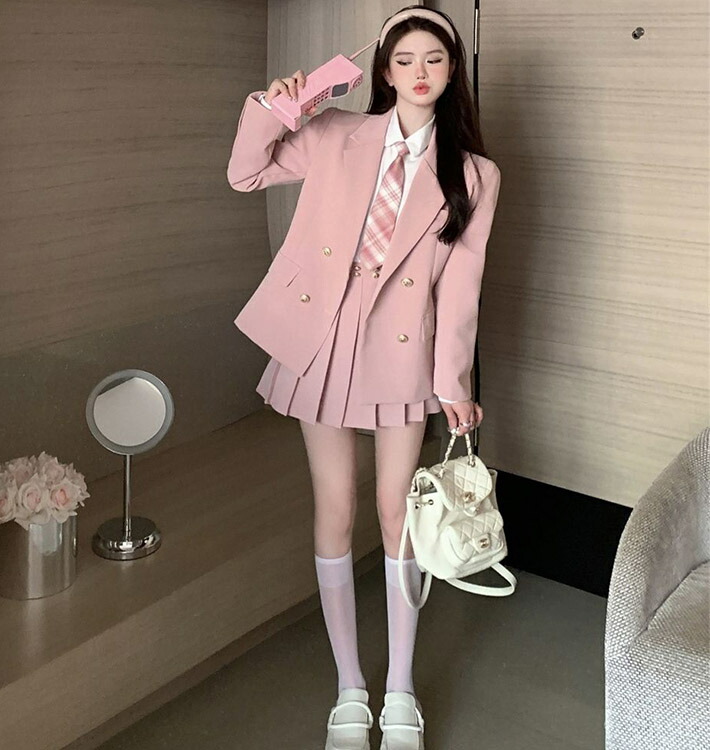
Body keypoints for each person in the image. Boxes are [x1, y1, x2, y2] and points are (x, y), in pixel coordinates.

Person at [226, 5, 502, 749]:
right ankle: (351, 685)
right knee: (336, 508)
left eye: (434, 59)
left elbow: (462, 288)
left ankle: (400, 687)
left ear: (452, 71)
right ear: (384, 70)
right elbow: (245, 172)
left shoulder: (475, 174)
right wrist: (276, 106)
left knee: (394, 514)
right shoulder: (335, 132)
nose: (419, 72)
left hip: (400, 346)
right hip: (319, 335)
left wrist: (454, 385)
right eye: (404, 59)